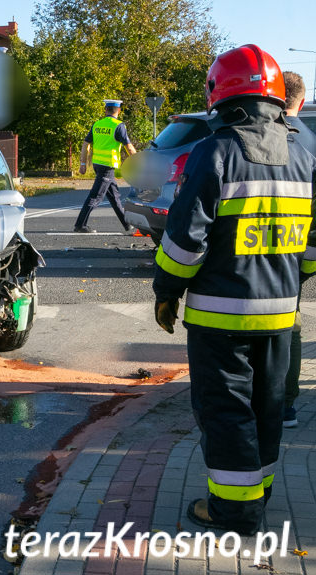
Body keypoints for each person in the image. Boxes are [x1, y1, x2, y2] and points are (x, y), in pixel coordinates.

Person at [153, 45, 316, 535]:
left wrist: (166, 291)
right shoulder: (305, 157)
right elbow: (311, 249)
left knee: (226, 415)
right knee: (266, 411)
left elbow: (184, 241)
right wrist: (291, 281)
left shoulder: (215, 152)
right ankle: (256, 496)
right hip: (281, 316)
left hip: (219, 321)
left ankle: (234, 512)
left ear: (219, 93)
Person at [280, 71, 316, 429]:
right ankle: (286, 404)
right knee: (290, 325)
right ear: (302, 102)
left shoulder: (265, 137)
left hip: (254, 251)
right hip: (296, 253)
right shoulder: (311, 141)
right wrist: (306, 264)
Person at [74, 99, 138, 233]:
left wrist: (83, 163)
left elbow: (86, 144)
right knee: (95, 197)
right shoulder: (118, 125)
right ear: (119, 111)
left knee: (114, 197)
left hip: (98, 164)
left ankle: (127, 225)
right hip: (108, 166)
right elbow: (129, 147)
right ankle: (80, 225)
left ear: (105, 110)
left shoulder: (97, 124)